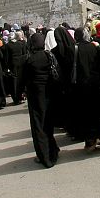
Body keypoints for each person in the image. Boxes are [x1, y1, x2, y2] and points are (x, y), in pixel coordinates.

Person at [22, 31, 60, 168]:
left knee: (39, 125)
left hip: (36, 97)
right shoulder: (49, 55)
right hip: (49, 94)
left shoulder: (30, 59)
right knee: (48, 123)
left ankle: (44, 156)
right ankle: (53, 150)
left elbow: (24, 79)